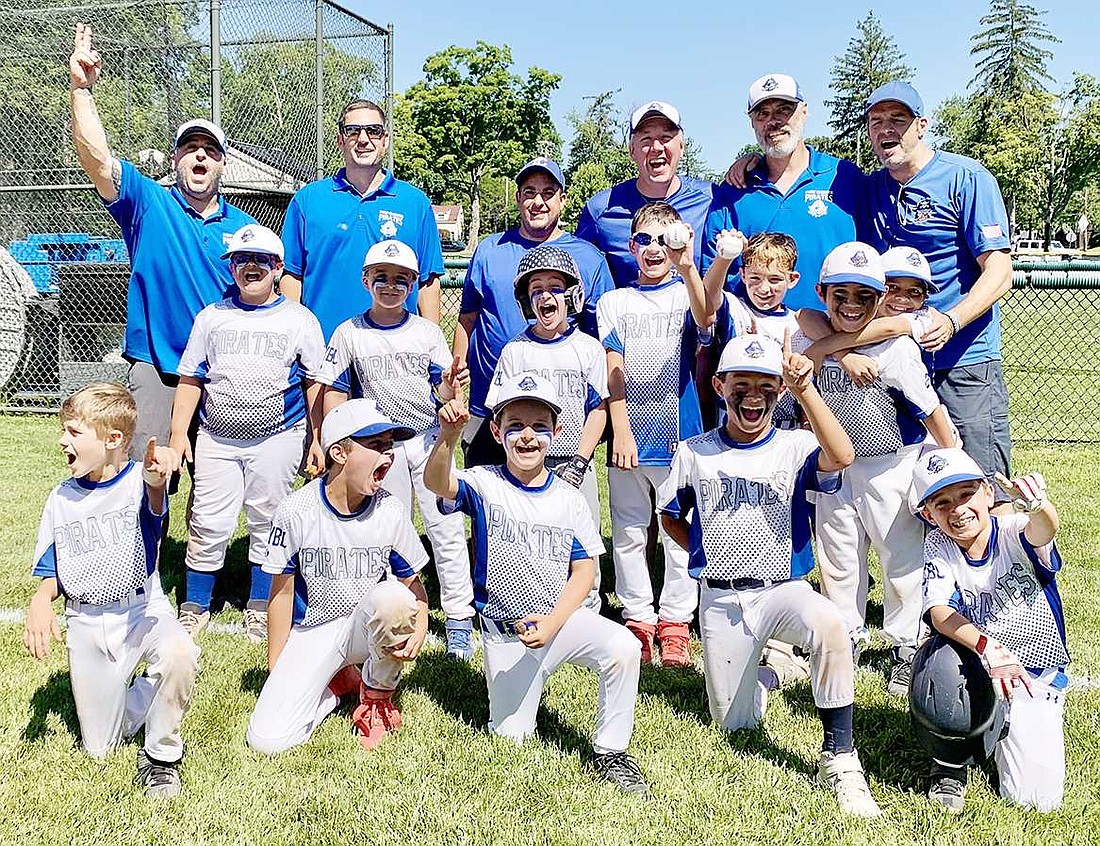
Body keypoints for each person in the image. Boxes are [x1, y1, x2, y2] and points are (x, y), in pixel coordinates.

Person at [657, 333, 880, 817]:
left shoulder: (797, 445)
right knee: (735, 727)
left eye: (766, 385)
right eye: (741, 382)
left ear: (778, 391)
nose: (753, 394)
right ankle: (774, 670)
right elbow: (672, 515)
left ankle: (839, 756)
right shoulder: (695, 452)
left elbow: (842, 456)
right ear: (719, 386)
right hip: (719, 597)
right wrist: (706, 551)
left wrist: (807, 391)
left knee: (830, 624)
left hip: (782, 587)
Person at [424, 373, 648, 794]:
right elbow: (438, 483)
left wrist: (553, 621)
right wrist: (447, 439)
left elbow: (583, 571)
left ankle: (611, 751)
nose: (527, 437)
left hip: (558, 623)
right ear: (495, 431)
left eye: (539, 427)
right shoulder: (485, 482)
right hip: (507, 632)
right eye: (514, 426)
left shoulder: (568, 496)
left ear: (557, 432)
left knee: (623, 647)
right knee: (511, 738)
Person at [68, 23, 255, 473]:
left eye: (209, 151)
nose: (199, 157)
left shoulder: (246, 229)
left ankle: (200, 548)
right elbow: (96, 159)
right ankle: (146, 545)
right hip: (156, 367)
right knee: (147, 474)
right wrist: (81, 91)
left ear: (222, 164)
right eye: (190, 148)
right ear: (176, 159)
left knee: (212, 483)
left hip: (220, 370)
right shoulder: (149, 203)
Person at [791, 243, 958, 693]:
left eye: (864, 296)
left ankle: (906, 641)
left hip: (891, 462)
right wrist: (840, 353)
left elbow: (930, 410)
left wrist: (957, 462)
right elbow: (802, 318)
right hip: (832, 460)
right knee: (838, 554)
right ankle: (843, 636)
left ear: (879, 296)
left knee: (899, 554)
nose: (851, 305)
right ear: (824, 292)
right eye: (839, 295)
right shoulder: (810, 334)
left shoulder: (897, 348)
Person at [23, 383, 198, 797]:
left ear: (113, 439)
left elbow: (156, 489)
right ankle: (137, 697)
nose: (63, 440)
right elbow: (52, 570)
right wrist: (39, 599)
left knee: (180, 652)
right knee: (101, 747)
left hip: (141, 612)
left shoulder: (140, 480)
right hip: (85, 619)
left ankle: (161, 756)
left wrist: (159, 476)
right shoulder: (60, 498)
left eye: (74, 431)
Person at [317, 240, 475, 661]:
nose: (391, 286)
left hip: (426, 439)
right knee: (391, 531)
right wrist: (333, 439)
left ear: (414, 284)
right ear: (365, 280)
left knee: (446, 528)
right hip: (379, 447)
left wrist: (450, 386)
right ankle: (398, 614)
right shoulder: (350, 331)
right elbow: (333, 389)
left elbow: (444, 385)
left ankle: (458, 616)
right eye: (382, 278)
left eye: (402, 279)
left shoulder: (425, 330)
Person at [168, 224, 326, 641]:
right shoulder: (212, 317)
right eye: (241, 260)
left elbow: (314, 381)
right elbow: (191, 378)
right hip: (218, 436)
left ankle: (259, 603)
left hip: (277, 435)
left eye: (260, 260)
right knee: (208, 519)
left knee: (268, 517)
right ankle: (195, 604)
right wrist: (178, 434)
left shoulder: (299, 319)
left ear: (277, 267)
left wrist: (318, 436)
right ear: (231, 267)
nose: (250, 267)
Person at [246, 400, 430, 754]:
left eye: (389, 446)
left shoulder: (390, 509)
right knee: (268, 741)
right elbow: (281, 595)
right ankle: (340, 684)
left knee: (394, 600)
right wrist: (277, 671)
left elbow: (413, 588)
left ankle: (377, 696)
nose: (387, 456)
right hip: (312, 629)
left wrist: (420, 621)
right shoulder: (296, 511)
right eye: (375, 446)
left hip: (365, 627)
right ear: (339, 453)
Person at [864, 81, 1014, 493]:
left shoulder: (964, 178)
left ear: (922, 126)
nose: (887, 129)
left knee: (982, 482)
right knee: (914, 487)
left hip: (964, 359)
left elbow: (999, 269)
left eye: (899, 119)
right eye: (877, 121)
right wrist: (748, 164)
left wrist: (951, 320)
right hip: (897, 359)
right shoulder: (872, 188)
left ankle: (1001, 558)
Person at [913, 447, 1069, 812]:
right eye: (942, 503)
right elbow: (938, 612)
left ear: (988, 493)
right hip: (976, 666)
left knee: (1036, 801)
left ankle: (997, 727)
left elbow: (1044, 528)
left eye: (966, 494)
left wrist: (1038, 506)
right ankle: (950, 761)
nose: (958, 510)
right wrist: (988, 648)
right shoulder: (938, 543)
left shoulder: (1015, 530)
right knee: (939, 663)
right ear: (928, 514)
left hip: (1035, 673)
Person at [596, 202, 709, 667]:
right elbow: (613, 367)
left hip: (680, 436)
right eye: (645, 240)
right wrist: (619, 428)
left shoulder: (686, 294)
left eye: (665, 240)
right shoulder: (614, 302)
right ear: (631, 246)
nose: (654, 249)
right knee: (628, 530)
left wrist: (689, 268)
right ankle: (639, 617)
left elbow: (707, 316)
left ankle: (677, 620)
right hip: (631, 434)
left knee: (678, 530)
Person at [453, 157, 613, 468]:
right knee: (490, 504)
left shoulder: (588, 258)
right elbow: (468, 318)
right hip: (490, 407)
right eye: (529, 192)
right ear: (518, 198)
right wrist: (457, 387)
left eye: (548, 192)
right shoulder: (490, 249)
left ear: (562, 200)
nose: (538, 201)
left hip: (556, 420)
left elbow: (603, 340)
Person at [280, 99, 444, 338]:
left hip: (395, 357)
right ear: (340, 140)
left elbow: (428, 283)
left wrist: (433, 351)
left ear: (385, 140)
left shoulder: (415, 203)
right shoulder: (307, 200)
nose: (363, 139)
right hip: (322, 355)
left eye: (373, 131)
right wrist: (294, 341)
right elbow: (292, 275)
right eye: (353, 131)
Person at [704, 74, 866, 311]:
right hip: (756, 340)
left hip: (835, 336)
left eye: (784, 109)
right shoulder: (734, 190)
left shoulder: (844, 176)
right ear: (752, 122)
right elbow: (711, 277)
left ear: (804, 111)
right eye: (762, 113)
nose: (773, 121)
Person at [577, 101, 715, 287]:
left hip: (696, 315)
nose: (656, 147)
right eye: (646, 140)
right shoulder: (601, 210)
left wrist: (752, 162)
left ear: (682, 147)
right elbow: (580, 274)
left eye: (666, 138)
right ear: (632, 151)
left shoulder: (712, 200)